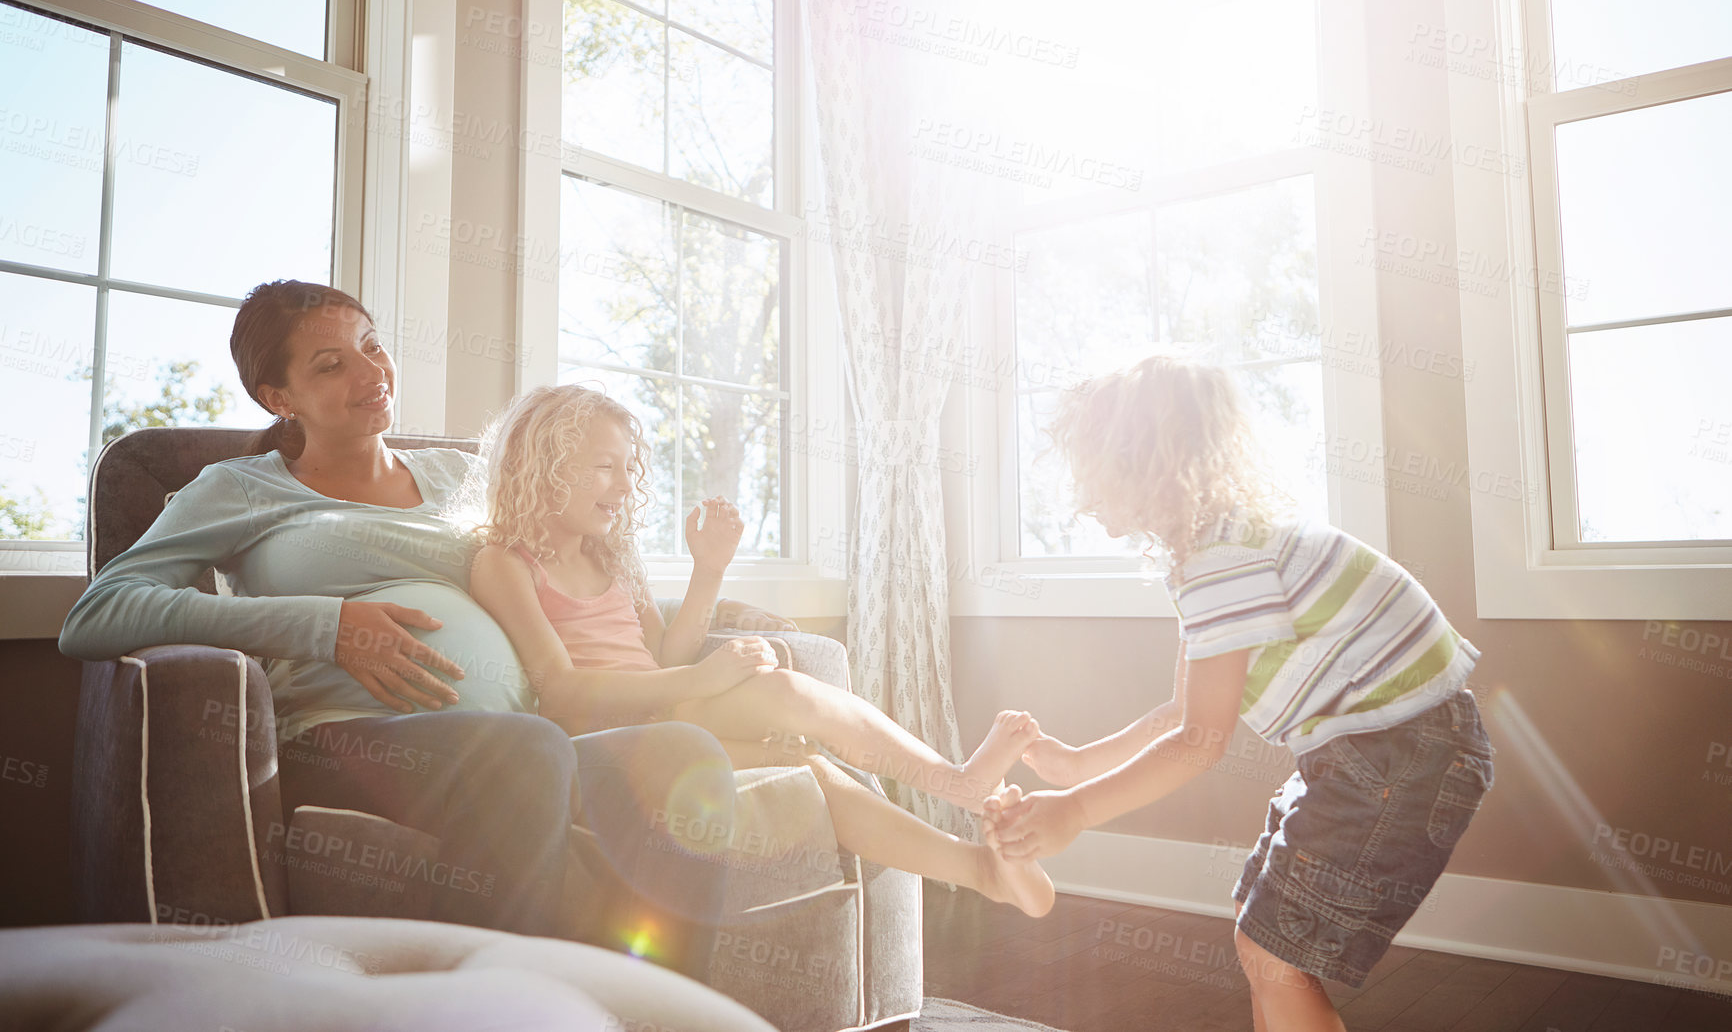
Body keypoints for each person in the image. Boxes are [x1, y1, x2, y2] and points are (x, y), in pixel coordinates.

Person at [58, 280, 736, 976]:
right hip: (342, 738)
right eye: (331, 364)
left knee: (681, 749)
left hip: (528, 733)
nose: (370, 372)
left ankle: (666, 1013)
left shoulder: (464, 477)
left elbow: (570, 559)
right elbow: (100, 614)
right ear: (278, 398)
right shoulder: (239, 488)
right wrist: (326, 625)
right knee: (523, 753)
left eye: (372, 347)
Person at [985, 354, 1496, 1031]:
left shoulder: (1220, 562)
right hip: (1378, 754)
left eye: (1091, 462)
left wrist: (1075, 810)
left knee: (1272, 951)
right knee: (1260, 926)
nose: (1081, 485)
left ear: (1142, 462)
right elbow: (1183, 712)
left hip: (1397, 756)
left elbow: (1201, 742)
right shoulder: (1222, 549)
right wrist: (1079, 764)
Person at [461, 382, 1057, 917]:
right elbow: (561, 690)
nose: (624, 485)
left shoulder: (612, 558)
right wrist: (702, 681)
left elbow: (667, 658)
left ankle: (979, 867)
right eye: (604, 467)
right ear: (545, 469)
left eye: (626, 468)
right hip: (604, 738)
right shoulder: (505, 564)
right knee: (782, 696)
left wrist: (709, 571)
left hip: (670, 716)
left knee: (808, 769)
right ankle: (957, 785)